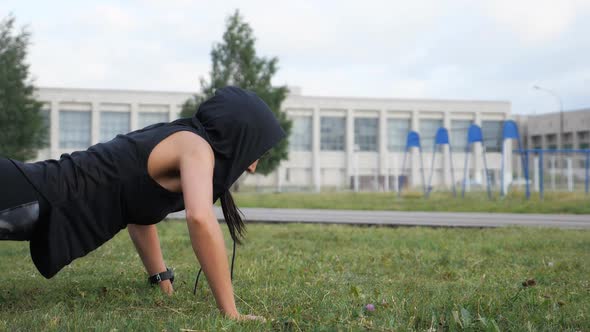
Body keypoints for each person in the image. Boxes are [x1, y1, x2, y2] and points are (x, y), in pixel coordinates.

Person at [0, 86, 286, 322]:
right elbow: (200, 219)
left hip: (36, 195)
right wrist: (231, 312)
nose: (251, 167)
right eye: (254, 152)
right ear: (238, 136)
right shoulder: (195, 147)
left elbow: (139, 212)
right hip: (31, 193)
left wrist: (161, 279)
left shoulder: (179, 138)